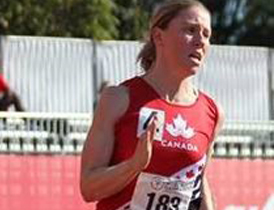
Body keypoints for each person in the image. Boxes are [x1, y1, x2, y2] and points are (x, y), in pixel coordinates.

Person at [80, 0, 225, 210]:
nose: (200, 41)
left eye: (206, 34)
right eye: (191, 30)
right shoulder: (118, 99)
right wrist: (133, 166)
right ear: (158, 36)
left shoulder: (212, 112)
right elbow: (88, 188)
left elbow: (199, 182)